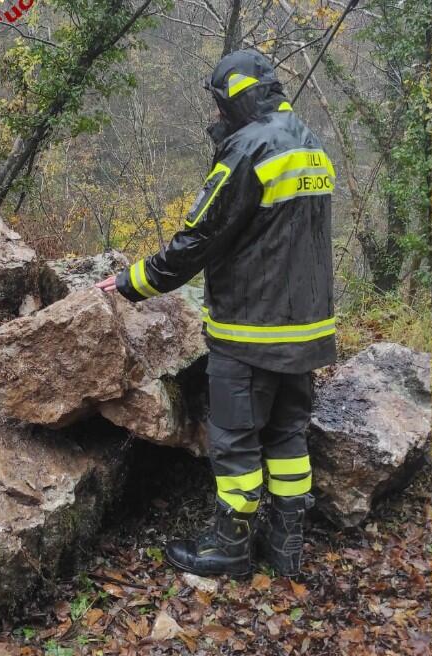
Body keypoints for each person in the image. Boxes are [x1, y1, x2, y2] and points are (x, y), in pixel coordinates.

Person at [96, 48, 335, 578]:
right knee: (287, 436)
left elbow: (201, 236)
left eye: (220, 106)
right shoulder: (313, 146)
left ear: (235, 98)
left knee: (234, 440)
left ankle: (229, 548)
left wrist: (133, 282)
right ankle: (286, 544)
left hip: (251, 330)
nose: (218, 117)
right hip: (308, 331)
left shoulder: (249, 149)